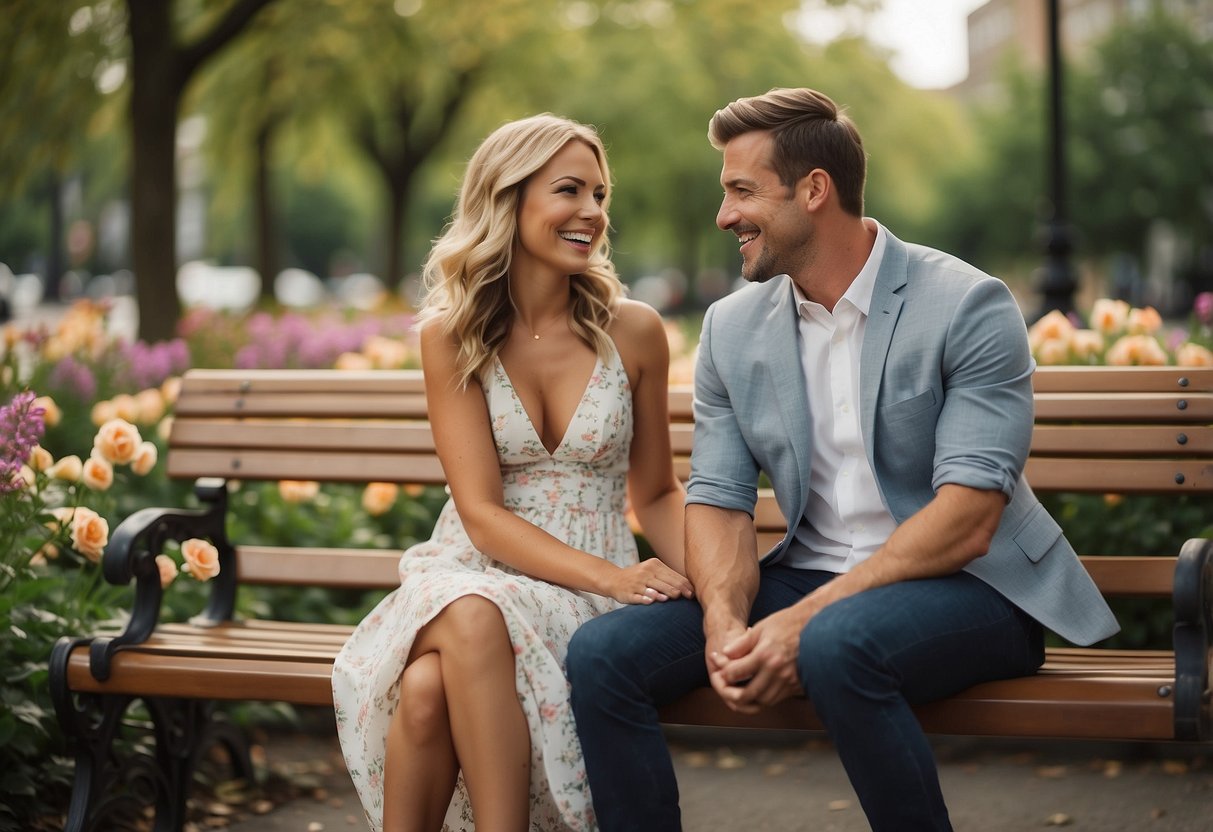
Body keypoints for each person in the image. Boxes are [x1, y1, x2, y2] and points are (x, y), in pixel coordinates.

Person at [566, 87, 1119, 832]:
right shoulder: (732, 328)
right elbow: (721, 497)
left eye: (741, 191)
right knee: (603, 654)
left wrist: (803, 621)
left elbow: (969, 516)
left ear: (814, 190)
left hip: (974, 588)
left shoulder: (964, 305)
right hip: (810, 578)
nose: (724, 215)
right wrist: (724, 625)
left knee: (836, 642)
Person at [332, 114, 692, 832]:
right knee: (471, 613)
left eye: (599, 193)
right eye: (569, 190)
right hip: (477, 564)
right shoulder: (452, 333)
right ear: (508, 199)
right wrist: (613, 578)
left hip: (585, 592)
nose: (591, 212)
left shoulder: (634, 330)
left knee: (429, 687)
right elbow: (481, 516)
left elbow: (653, 492)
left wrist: (718, 592)